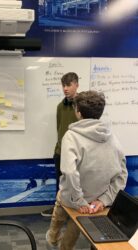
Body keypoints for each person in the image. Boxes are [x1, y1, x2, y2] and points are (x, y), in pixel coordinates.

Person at [46, 90, 128, 250]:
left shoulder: (71, 136)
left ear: (78, 111)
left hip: (73, 199)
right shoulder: (112, 137)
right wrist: (103, 200)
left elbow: (69, 172)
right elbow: (122, 174)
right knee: (76, 224)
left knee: (60, 213)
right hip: (95, 204)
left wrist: (78, 200)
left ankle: (52, 239)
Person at [41, 72, 79, 217]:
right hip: (60, 152)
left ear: (76, 85)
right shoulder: (60, 106)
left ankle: (74, 210)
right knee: (60, 183)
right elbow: (59, 128)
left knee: (76, 183)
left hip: (77, 153)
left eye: (69, 85)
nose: (65, 88)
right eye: (63, 85)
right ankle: (58, 209)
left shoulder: (82, 105)